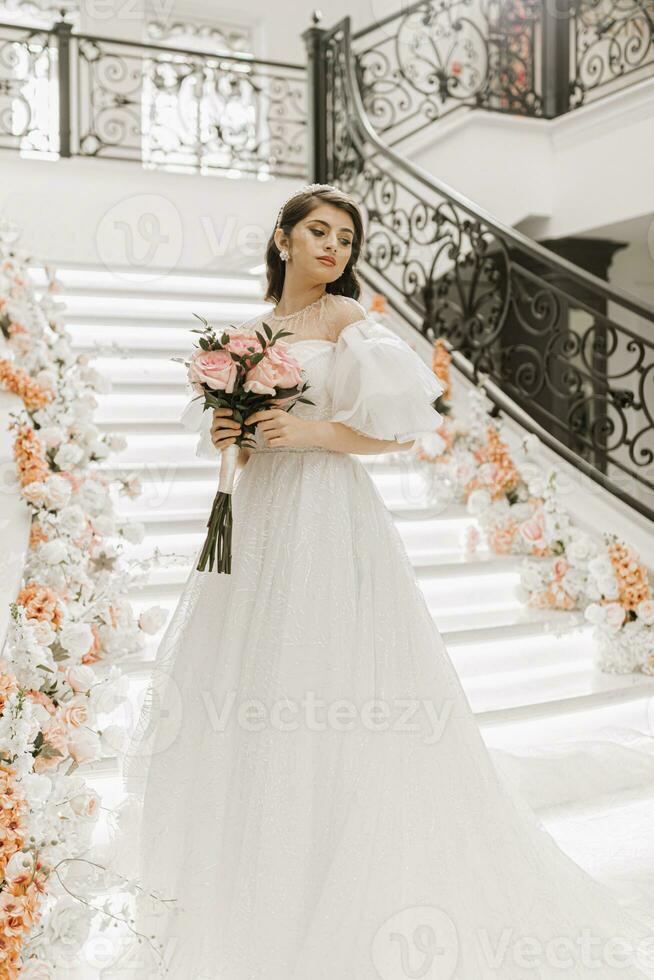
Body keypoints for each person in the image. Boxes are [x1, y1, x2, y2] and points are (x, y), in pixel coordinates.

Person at [121, 184, 654, 979]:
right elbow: (228, 444)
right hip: (257, 513)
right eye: (319, 232)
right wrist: (233, 433)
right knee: (249, 684)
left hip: (324, 514)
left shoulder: (345, 320)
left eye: (345, 238)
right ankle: (255, 894)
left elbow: (401, 425)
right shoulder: (245, 336)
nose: (334, 248)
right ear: (282, 239)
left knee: (324, 678)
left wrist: (305, 431)